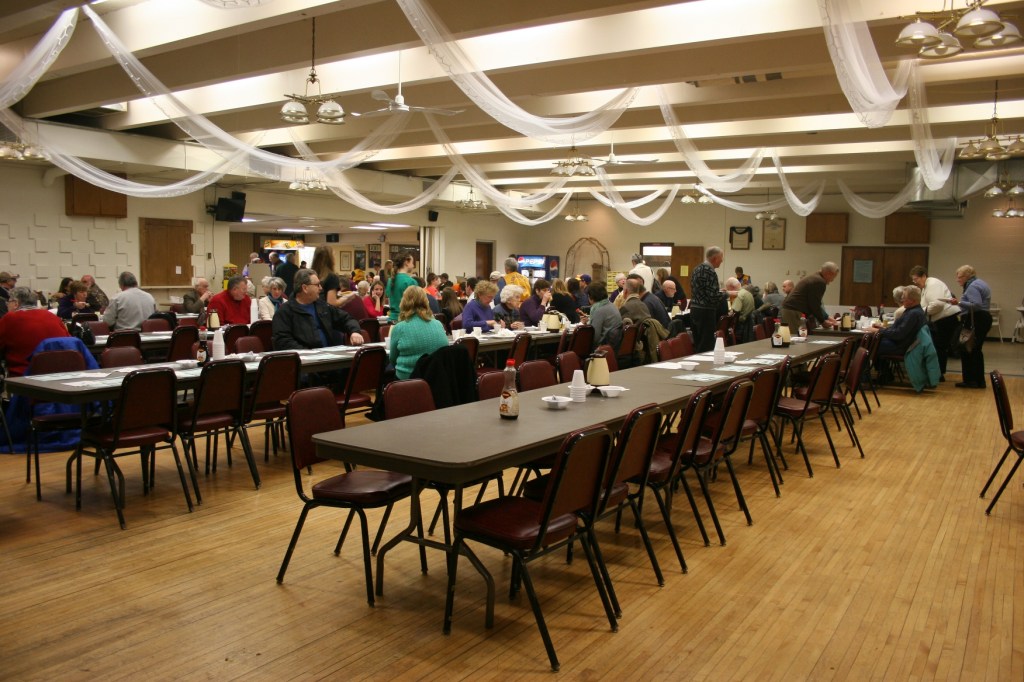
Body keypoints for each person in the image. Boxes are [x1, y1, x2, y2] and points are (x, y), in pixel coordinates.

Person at [272, 268, 364, 351]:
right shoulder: (284, 312)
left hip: (329, 358)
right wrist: (309, 353)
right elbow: (283, 342)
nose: (321, 288)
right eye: (317, 285)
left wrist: (355, 332)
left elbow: (347, 319)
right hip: (305, 364)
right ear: (305, 288)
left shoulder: (322, 306)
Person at [0, 286, 71, 377]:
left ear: (15, 303)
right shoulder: (53, 317)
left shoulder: (10, 318)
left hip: (25, 376)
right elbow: (69, 341)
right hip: (59, 373)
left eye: (8, 302)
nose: (7, 305)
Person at [910, 265, 960, 381]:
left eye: (916, 279)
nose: (915, 282)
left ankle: (938, 374)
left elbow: (937, 305)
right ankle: (937, 373)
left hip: (945, 320)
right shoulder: (926, 286)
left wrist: (919, 312)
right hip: (941, 320)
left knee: (939, 347)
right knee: (937, 347)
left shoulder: (932, 284)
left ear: (923, 276)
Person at [388, 285, 450, 380]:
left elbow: (393, 359)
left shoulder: (399, 328)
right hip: (437, 379)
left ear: (403, 303)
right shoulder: (438, 324)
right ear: (426, 301)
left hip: (408, 379)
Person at [872, 285, 927, 383]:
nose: (901, 299)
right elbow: (899, 330)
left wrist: (879, 331)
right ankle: (885, 374)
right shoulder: (913, 311)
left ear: (912, 300)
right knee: (872, 342)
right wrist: (882, 328)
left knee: (866, 345)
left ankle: (864, 377)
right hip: (902, 343)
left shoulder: (913, 314)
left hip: (901, 346)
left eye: (904, 297)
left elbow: (898, 334)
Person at [949, 264, 992, 389]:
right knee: (976, 350)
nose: (958, 280)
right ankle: (979, 381)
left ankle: (970, 380)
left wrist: (959, 303)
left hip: (975, 319)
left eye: (960, 277)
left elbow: (976, 305)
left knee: (968, 349)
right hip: (982, 319)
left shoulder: (972, 286)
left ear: (967, 276)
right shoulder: (980, 283)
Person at [781, 262, 840, 332]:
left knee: (799, 335)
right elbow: (814, 304)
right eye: (833, 276)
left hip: (791, 309)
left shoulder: (815, 278)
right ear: (828, 273)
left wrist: (825, 318)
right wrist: (823, 322)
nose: (832, 280)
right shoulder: (819, 281)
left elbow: (814, 304)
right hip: (793, 311)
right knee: (796, 337)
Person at [689, 247, 727, 353]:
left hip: (695, 309)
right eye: (721, 258)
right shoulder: (709, 271)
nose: (722, 260)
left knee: (698, 343)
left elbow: (702, 290)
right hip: (705, 312)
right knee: (707, 345)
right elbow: (713, 296)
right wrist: (727, 294)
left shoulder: (697, 269)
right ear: (715, 258)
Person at [586, 281, 622, 351]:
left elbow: (594, 337)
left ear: (590, 297)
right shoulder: (612, 305)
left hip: (603, 350)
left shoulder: (598, 310)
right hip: (614, 346)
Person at [385, 251, 417, 322]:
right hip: (406, 321)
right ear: (406, 262)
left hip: (391, 320)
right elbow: (415, 305)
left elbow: (388, 299)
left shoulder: (390, 280)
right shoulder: (411, 282)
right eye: (412, 262)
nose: (413, 265)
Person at [725, 277, 756, 343]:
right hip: (749, 324)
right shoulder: (748, 293)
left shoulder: (739, 295)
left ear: (731, 287)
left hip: (740, 327)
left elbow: (734, 313)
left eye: (728, 289)